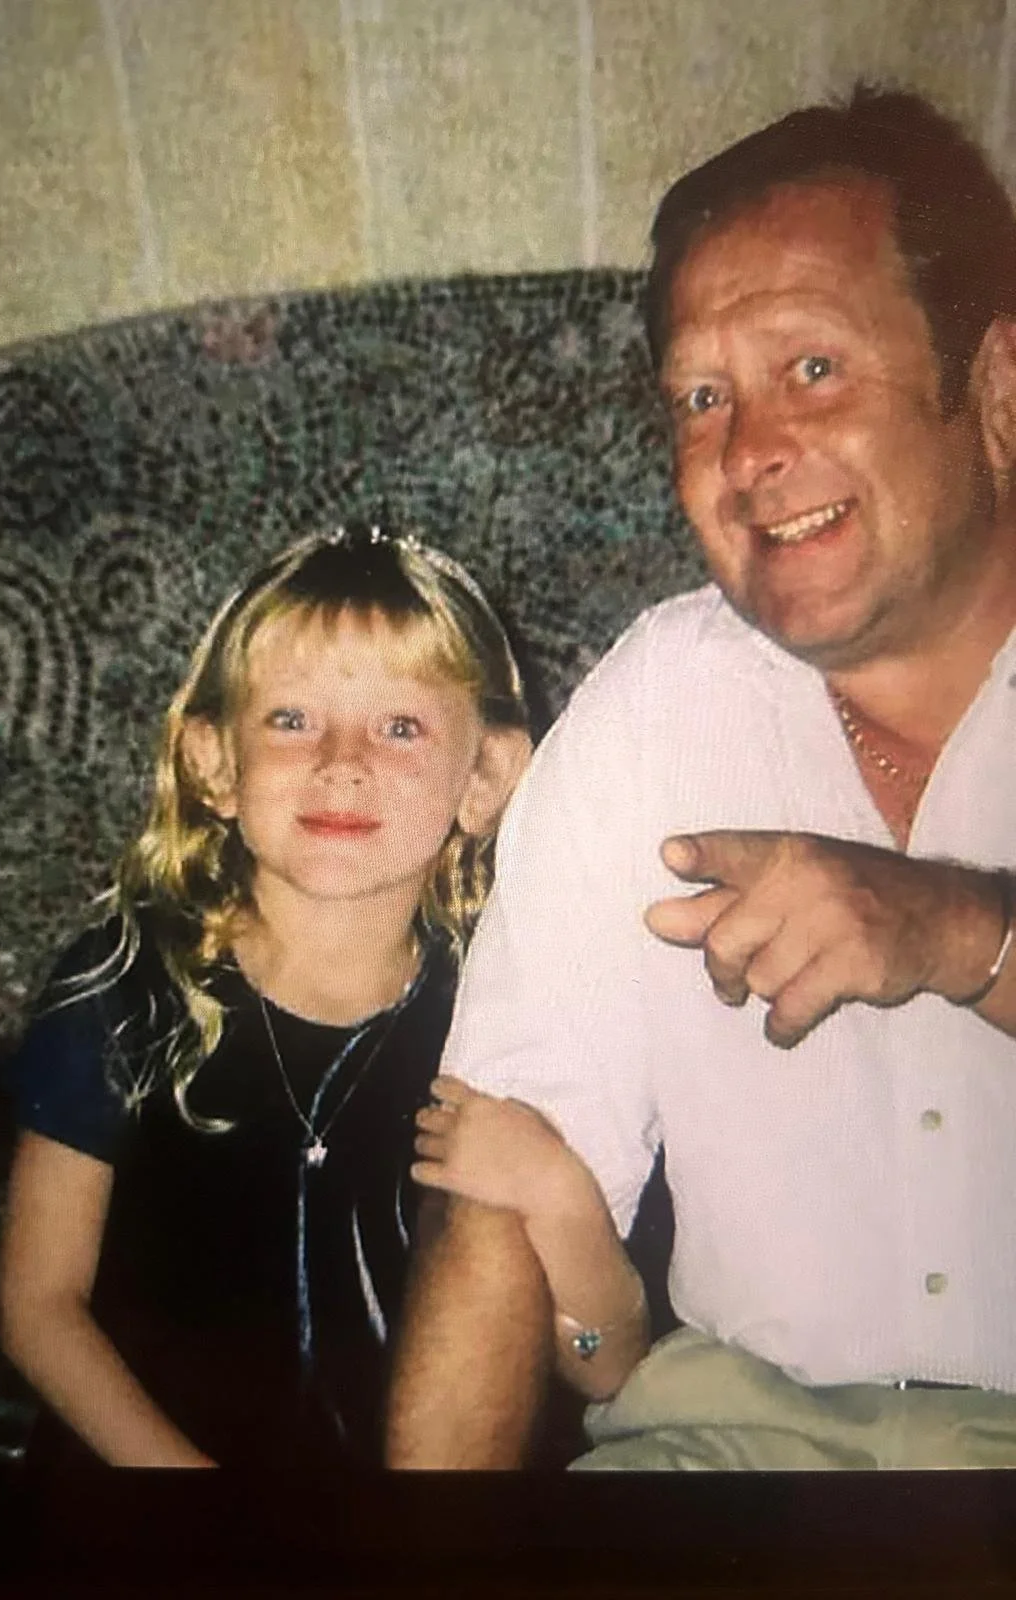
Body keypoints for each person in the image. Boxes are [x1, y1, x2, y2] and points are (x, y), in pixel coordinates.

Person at [386, 85, 1016, 1471]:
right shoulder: (657, 706)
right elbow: (500, 1174)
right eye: (701, 397)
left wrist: (964, 933)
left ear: (997, 388)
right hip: (732, 1449)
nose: (746, 455)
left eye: (813, 370)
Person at [0, 526, 530, 1469]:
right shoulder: (120, 984)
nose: (341, 761)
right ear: (213, 763)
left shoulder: (501, 1023)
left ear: (484, 777)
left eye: (399, 726)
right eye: (292, 719)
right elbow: (37, 1310)